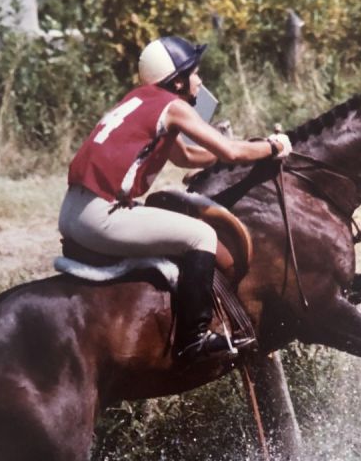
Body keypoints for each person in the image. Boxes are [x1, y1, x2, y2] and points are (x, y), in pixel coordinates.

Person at [59, 35, 291, 364]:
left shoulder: (140, 99)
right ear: (178, 81)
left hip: (73, 210)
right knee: (202, 235)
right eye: (195, 73)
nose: (200, 80)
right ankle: (192, 340)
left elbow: (184, 156)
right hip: (100, 217)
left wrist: (228, 156)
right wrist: (273, 146)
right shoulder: (174, 107)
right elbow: (231, 150)